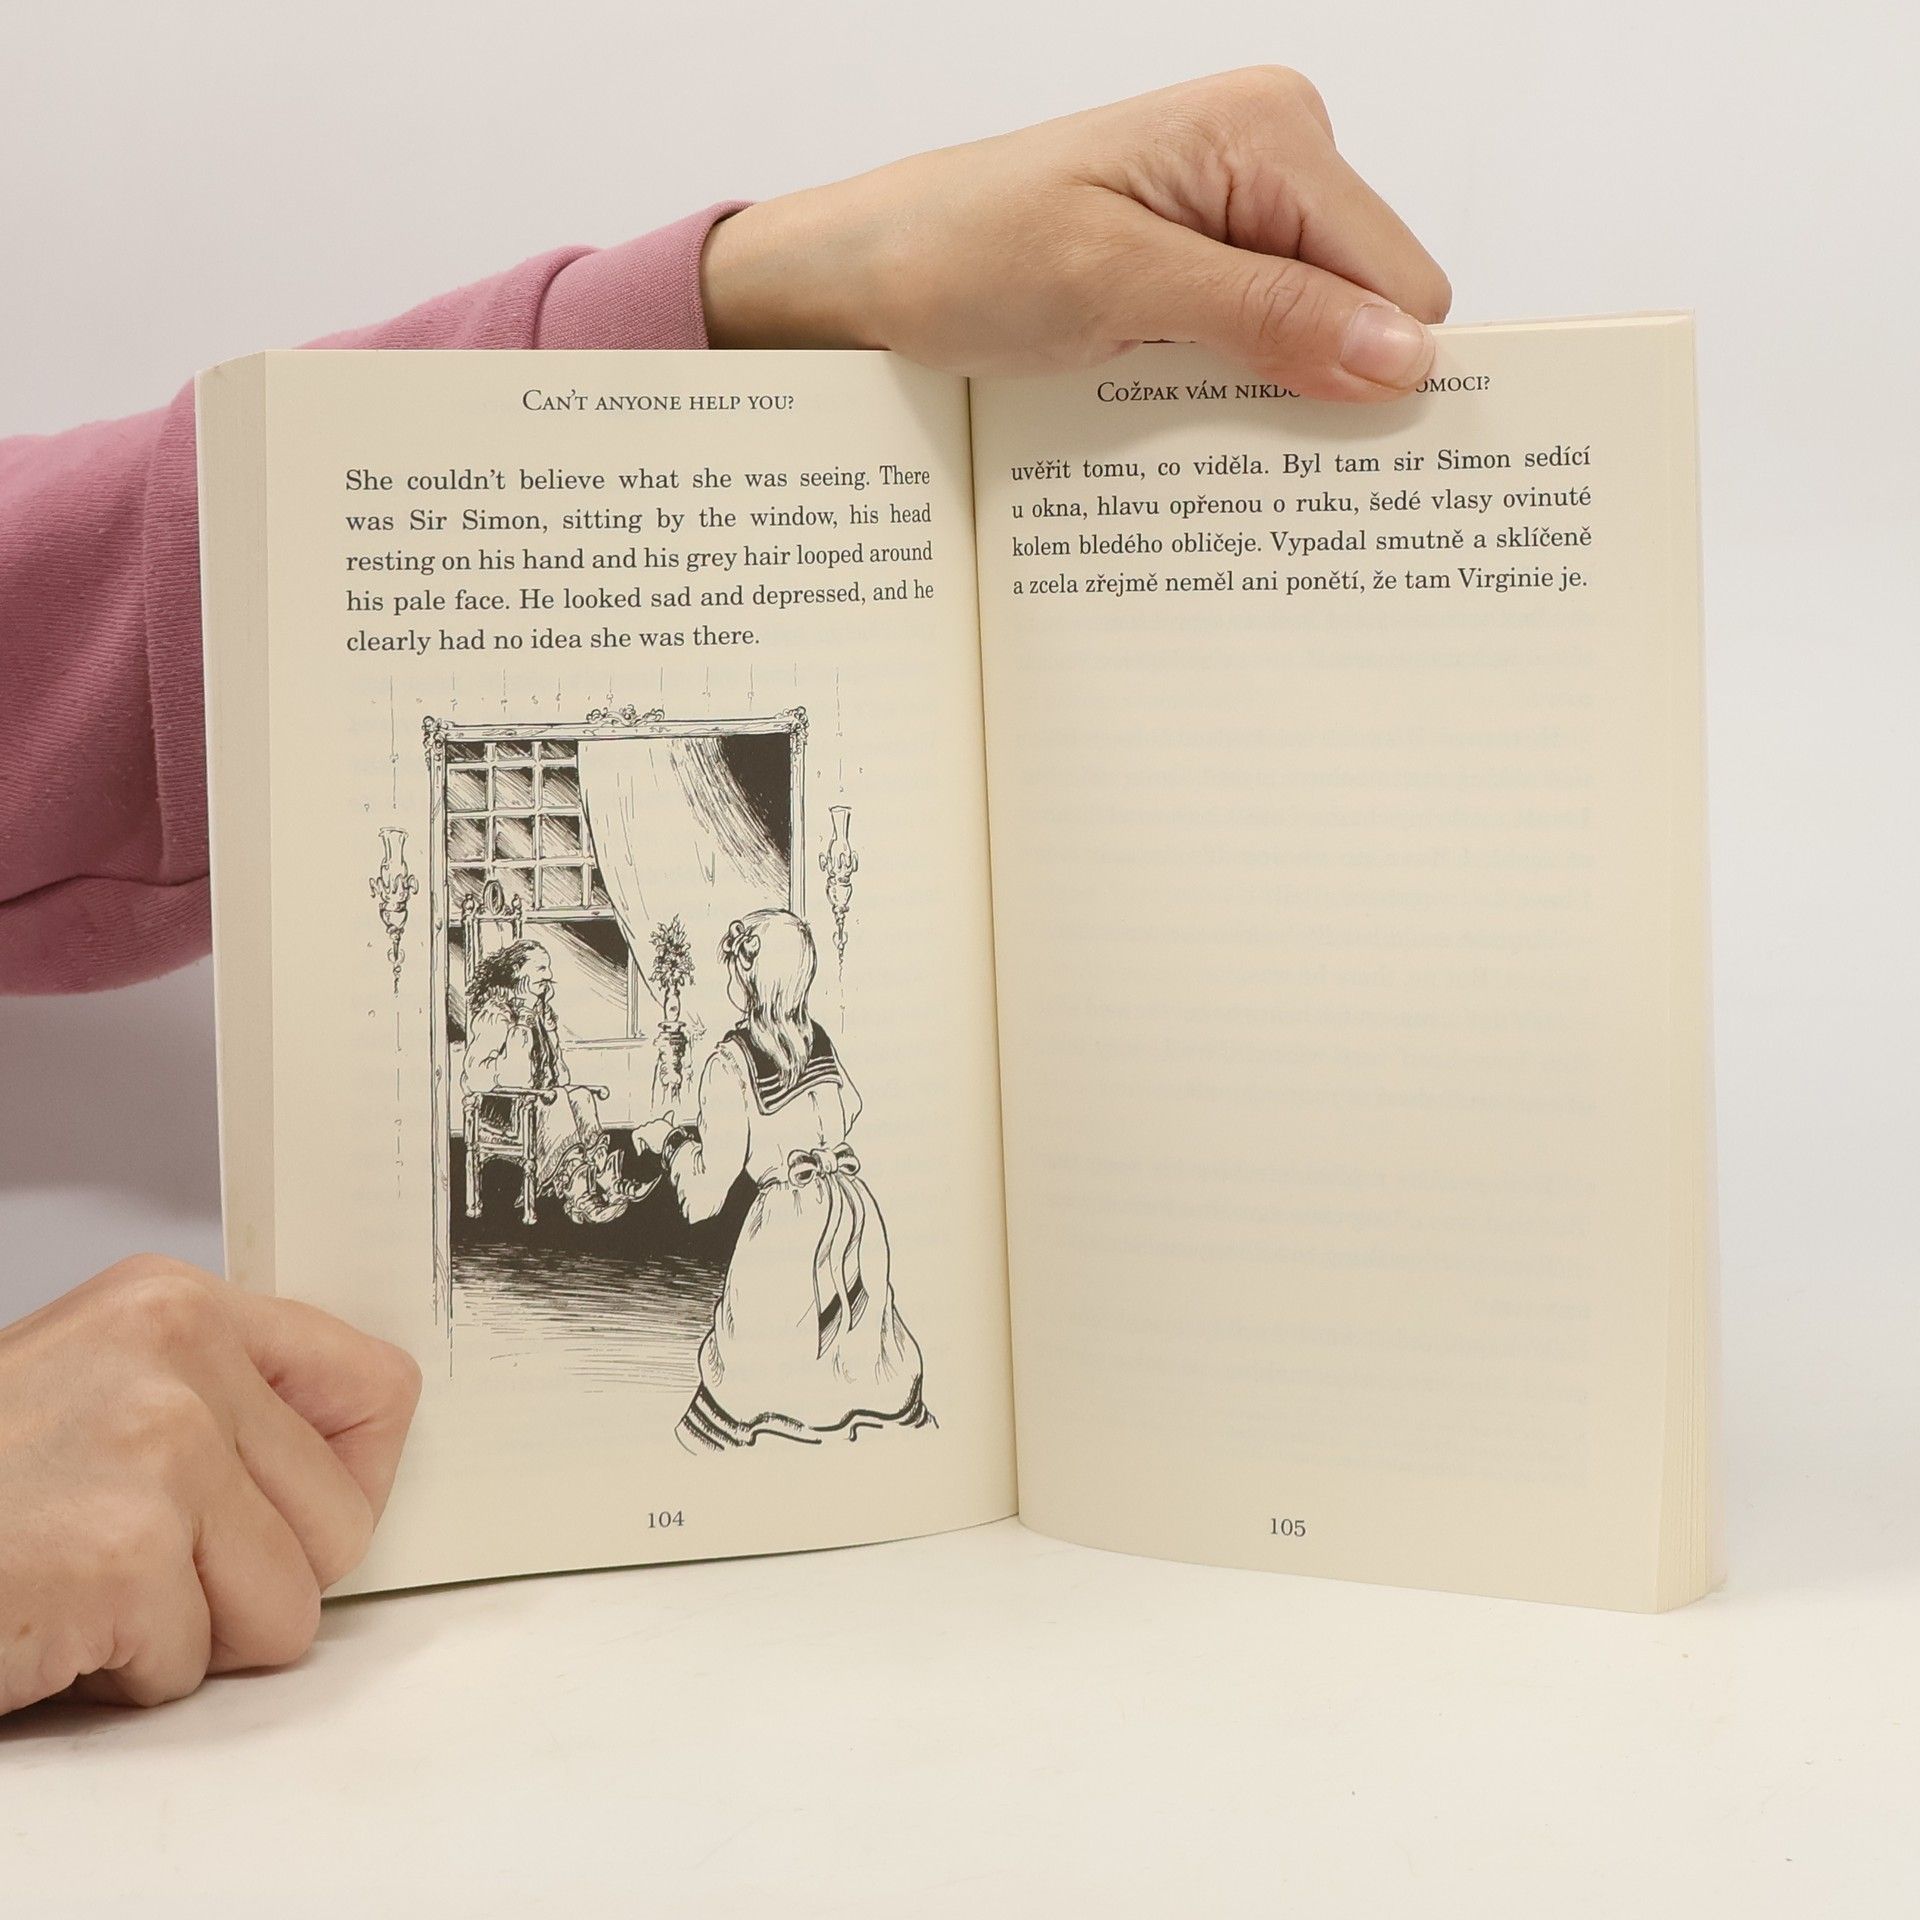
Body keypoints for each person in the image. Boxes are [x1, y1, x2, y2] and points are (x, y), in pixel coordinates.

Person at [0, 69, 1450, 1716]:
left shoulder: (780, 1036)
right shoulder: (695, 1048)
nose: (760, 987)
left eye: (769, 970)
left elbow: (68, 617)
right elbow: (701, 1167)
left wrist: (768, 288)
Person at [637, 911, 929, 1451]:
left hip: (786, 1229)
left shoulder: (730, 1063)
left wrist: (671, 1144)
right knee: (856, 1349)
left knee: (768, 1353)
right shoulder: (818, 1040)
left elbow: (705, 1196)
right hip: (853, 1213)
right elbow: (850, 1108)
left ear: (747, 978)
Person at [461, 939, 652, 1225]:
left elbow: (561, 1076)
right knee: (558, 1100)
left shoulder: (538, 1012)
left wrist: (547, 1030)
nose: (549, 975)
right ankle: (580, 1197)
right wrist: (523, 1023)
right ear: (518, 972)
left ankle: (607, 1180)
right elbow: (503, 1077)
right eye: (541, 968)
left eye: (547, 968)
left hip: (536, 1098)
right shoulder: (496, 1014)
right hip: (501, 1106)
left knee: (581, 1096)